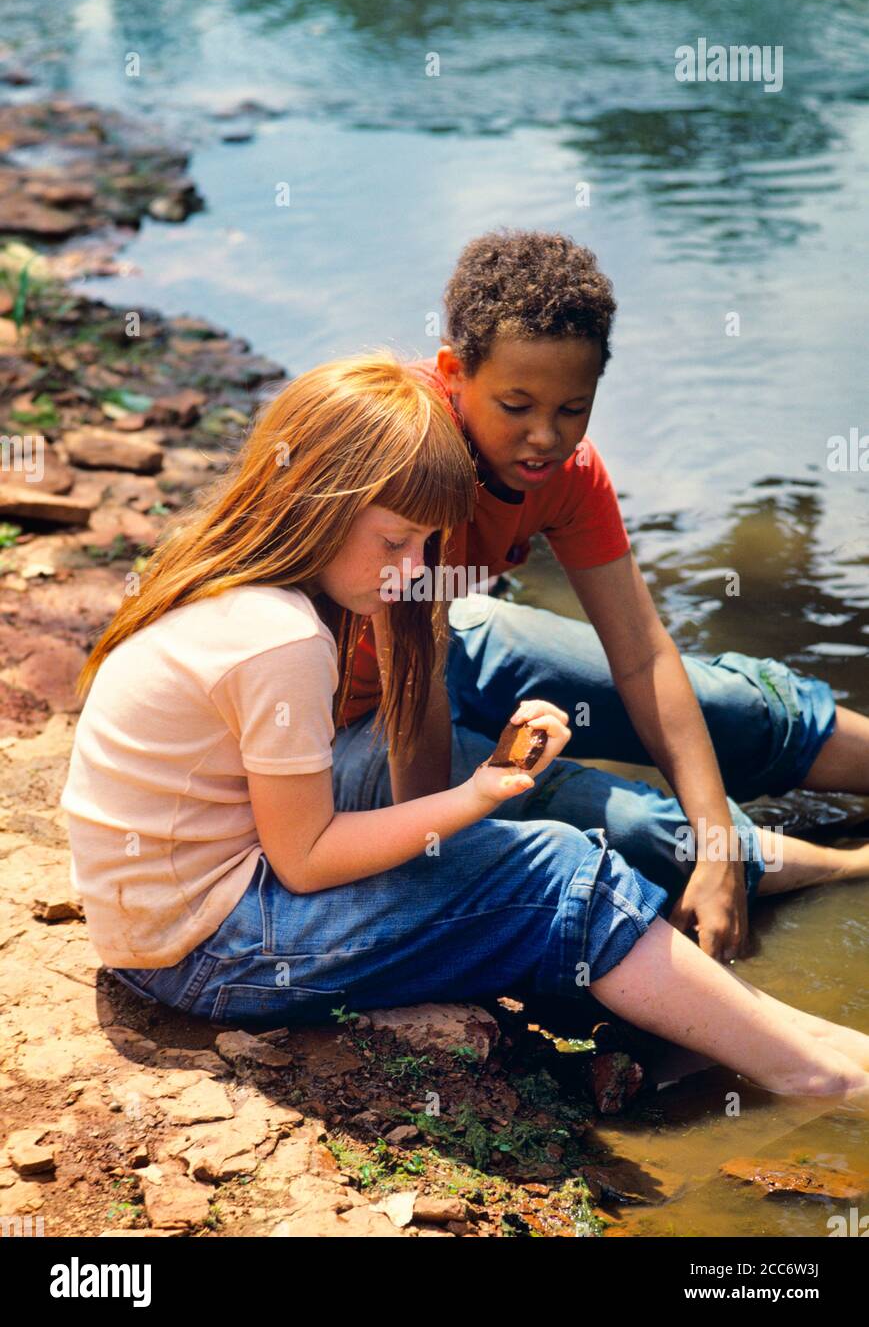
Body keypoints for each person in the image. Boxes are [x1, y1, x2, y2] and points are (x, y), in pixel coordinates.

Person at [59, 351, 869, 1107]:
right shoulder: (284, 641)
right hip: (203, 952)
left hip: (162, 931)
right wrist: (483, 794)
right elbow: (304, 862)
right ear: (319, 504)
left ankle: (771, 1034)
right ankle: (824, 1075)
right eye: (396, 541)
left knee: (540, 861)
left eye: (424, 544)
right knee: (554, 871)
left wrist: (471, 824)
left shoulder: (236, 588)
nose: (416, 569)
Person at [336, 229, 869, 964]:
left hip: (456, 639)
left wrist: (716, 832)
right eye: (516, 405)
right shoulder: (410, 453)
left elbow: (643, 656)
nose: (544, 438)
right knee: (634, 832)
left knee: (724, 710)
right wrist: (437, 858)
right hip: (351, 719)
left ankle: (749, 839)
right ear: (454, 372)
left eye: (572, 409)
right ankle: (850, 868)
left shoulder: (568, 473)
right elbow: (412, 688)